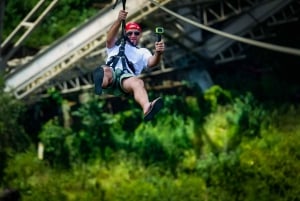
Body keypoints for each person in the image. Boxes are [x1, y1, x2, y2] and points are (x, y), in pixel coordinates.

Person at [93, 9, 165, 121]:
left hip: (125, 80)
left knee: (138, 82)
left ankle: (147, 107)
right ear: (125, 34)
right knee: (105, 70)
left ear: (140, 35)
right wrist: (118, 20)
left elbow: (152, 62)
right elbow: (109, 38)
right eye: (129, 33)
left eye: (136, 33)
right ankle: (101, 84)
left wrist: (158, 53)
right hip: (111, 74)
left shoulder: (142, 52)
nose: (133, 35)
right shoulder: (115, 45)